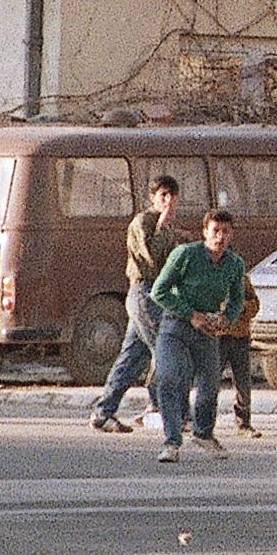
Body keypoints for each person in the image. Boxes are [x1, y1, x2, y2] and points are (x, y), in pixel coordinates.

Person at [146, 207, 246, 465]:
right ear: (205, 232)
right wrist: (190, 314)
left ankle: (203, 433)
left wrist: (226, 318)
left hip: (206, 330)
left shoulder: (234, 264)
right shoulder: (186, 255)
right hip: (176, 326)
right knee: (170, 377)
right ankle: (171, 440)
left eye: (225, 232)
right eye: (215, 231)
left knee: (210, 383)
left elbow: (237, 298)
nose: (220, 237)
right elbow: (159, 291)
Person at [92, 176, 188, 433]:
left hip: (159, 294)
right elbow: (150, 260)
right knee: (167, 349)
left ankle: (104, 412)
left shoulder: (167, 228)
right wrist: (163, 227)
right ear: (152, 197)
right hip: (144, 291)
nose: (168, 201)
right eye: (163, 195)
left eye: (173, 196)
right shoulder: (143, 222)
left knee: (133, 356)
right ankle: (175, 412)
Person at [215, 261, 261, 436]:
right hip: (218, 335)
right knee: (211, 380)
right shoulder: (210, 279)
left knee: (243, 382)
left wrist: (241, 307)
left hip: (240, 336)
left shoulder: (242, 280)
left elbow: (254, 304)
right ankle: (204, 421)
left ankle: (244, 423)